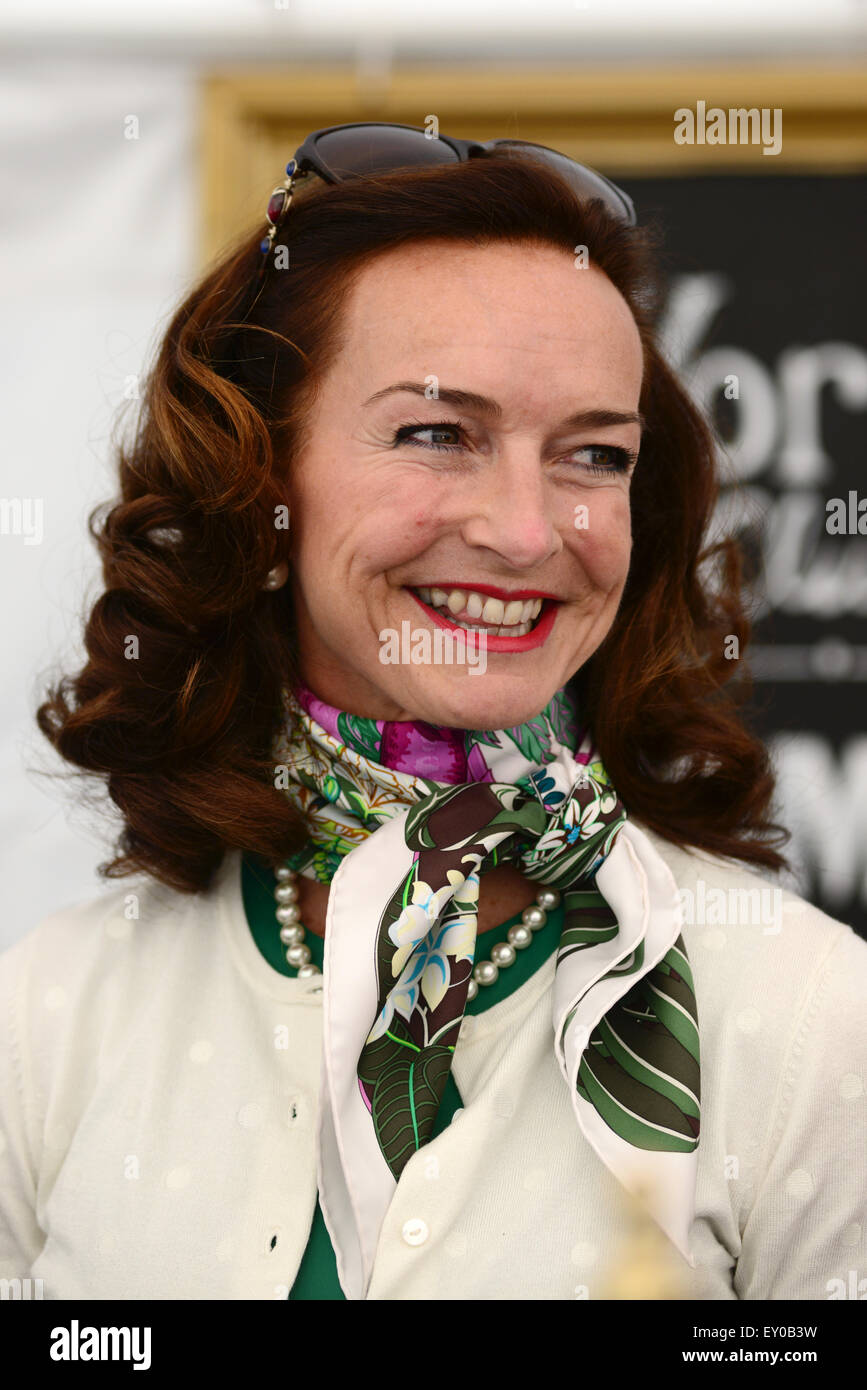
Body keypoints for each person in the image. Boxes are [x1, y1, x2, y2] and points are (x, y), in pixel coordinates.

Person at [1, 123, 864, 1302]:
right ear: (260, 485)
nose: (523, 531)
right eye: (436, 433)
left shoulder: (811, 1020)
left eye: (594, 455)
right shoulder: (54, 1016)